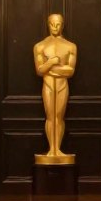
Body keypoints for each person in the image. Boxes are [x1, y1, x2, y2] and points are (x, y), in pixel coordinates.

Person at [33, 13, 77, 162]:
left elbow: (70, 71)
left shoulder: (70, 46)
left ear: (62, 25)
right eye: (52, 24)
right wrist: (52, 63)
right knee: (50, 116)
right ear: (48, 24)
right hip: (48, 85)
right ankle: (52, 149)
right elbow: (39, 70)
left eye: (58, 24)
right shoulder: (40, 46)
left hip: (62, 85)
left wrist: (50, 68)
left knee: (59, 116)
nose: (55, 27)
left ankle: (58, 148)